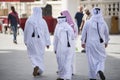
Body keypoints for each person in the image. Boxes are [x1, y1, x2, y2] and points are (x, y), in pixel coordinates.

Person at [81, 7, 110, 80]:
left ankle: (92, 77)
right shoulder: (103, 22)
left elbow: (84, 32)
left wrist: (82, 41)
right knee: (101, 58)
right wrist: (106, 42)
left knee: (91, 60)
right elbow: (107, 33)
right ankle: (100, 70)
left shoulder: (88, 22)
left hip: (90, 44)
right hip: (100, 44)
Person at [24, 7, 51, 77]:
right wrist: (47, 43)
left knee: (32, 55)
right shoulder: (43, 21)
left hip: (31, 40)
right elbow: (46, 32)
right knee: (40, 55)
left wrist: (25, 40)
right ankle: (39, 69)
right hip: (40, 41)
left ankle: (35, 65)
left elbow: (25, 31)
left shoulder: (29, 20)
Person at [53, 16, 74, 80]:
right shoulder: (69, 26)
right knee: (68, 62)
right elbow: (73, 37)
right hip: (69, 47)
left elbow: (55, 39)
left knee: (61, 62)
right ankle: (67, 77)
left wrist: (55, 48)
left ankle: (62, 76)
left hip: (61, 47)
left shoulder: (58, 26)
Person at [61, 10, 78, 75]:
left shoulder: (64, 23)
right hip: (71, 42)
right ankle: (70, 70)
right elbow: (76, 32)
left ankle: (68, 70)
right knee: (70, 56)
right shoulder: (73, 22)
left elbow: (76, 32)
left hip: (67, 42)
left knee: (67, 56)